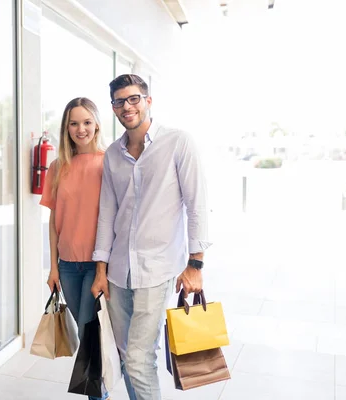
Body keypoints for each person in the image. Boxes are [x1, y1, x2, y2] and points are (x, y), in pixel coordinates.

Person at [90, 74, 211, 400]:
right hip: (117, 272)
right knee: (127, 356)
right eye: (119, 102)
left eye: (133, 99)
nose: (127, 106)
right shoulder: (113, 154)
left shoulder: (178, 142)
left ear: (148, 101)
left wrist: (195, 264)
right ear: (113, 108)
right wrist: (101, 270)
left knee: (140, 359)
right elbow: (106, 214)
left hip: (157, 270)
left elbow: (197, 204)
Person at [39, 97, 107, 400]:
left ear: (96, 124)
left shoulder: (108, 163)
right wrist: (53, 267)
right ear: (66, 128)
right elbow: (54, 220)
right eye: (74, 123)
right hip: (67, 265)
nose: (81, 129)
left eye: (87, 122)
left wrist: (103, 270)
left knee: (91, 331)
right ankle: (99, 389)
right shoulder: (58, 166)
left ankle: (98, 393)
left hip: (96, 265)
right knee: (83, 334)